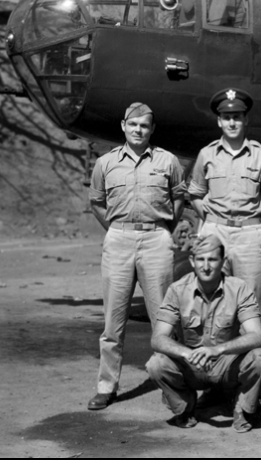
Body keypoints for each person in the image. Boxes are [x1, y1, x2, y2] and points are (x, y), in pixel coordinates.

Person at [87, 102, 185, 410]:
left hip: (156, 239)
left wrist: (164, 230)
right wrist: (117, 229)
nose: (138, 130)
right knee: (112, 322)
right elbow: (97, 201)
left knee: (165, 320)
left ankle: (172, 385)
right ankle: (106, 386)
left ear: (152, 129)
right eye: (133, 125)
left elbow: (178, 197)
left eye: (144, 125)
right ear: (123, 126)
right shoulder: (105, 163)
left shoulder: (168, 161)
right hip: (118, 240)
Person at [146, 235, 261, 432]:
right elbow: (158, 338)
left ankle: (241, 408)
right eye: (200, 259)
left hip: (226, 364)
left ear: (223, 261)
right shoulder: (177, 290)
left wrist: (218, 350)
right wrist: (186, 353)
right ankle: (185, 406)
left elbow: (257, 335)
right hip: (191, 363)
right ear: (191, 262)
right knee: (156, 364)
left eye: (212, 259)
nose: (206, 266)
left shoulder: (239, 289)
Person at [188, 88, 261, 315]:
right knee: (211, 299)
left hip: (249, 235)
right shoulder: (207, 154)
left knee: (252, 301)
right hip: (214, 232)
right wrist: (211, 222)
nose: (232, 123)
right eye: (227, 118)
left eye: (236, 117)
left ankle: (253, 349)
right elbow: (196, 194)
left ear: (245, 119)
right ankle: (214, 349)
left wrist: (254, 223)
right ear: (219, 121)